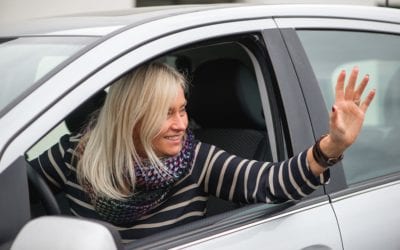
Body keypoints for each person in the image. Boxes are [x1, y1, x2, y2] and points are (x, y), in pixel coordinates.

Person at [29, 62, 375, 241]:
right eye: (167, 113)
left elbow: (273, 182)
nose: (182, 124)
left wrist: (332, 146)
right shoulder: (76, 154)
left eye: (183, 109)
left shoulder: (194, 161)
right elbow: (17, 192)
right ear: (132, 117)